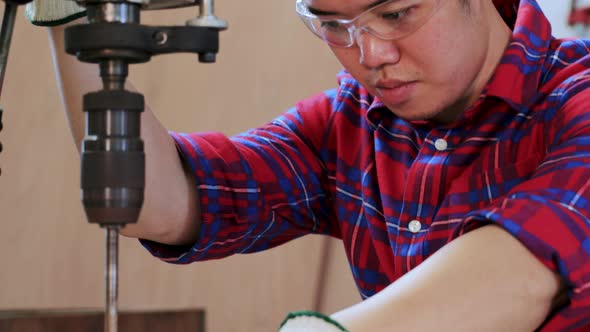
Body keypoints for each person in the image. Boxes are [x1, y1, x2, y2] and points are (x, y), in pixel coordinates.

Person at [25, 0, 590, 330]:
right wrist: (73, 23)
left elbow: (521, 272)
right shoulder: (350, 119)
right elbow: (160, 203)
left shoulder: (577, 99)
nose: (370, 56)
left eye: (395, 13)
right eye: (333, 25)